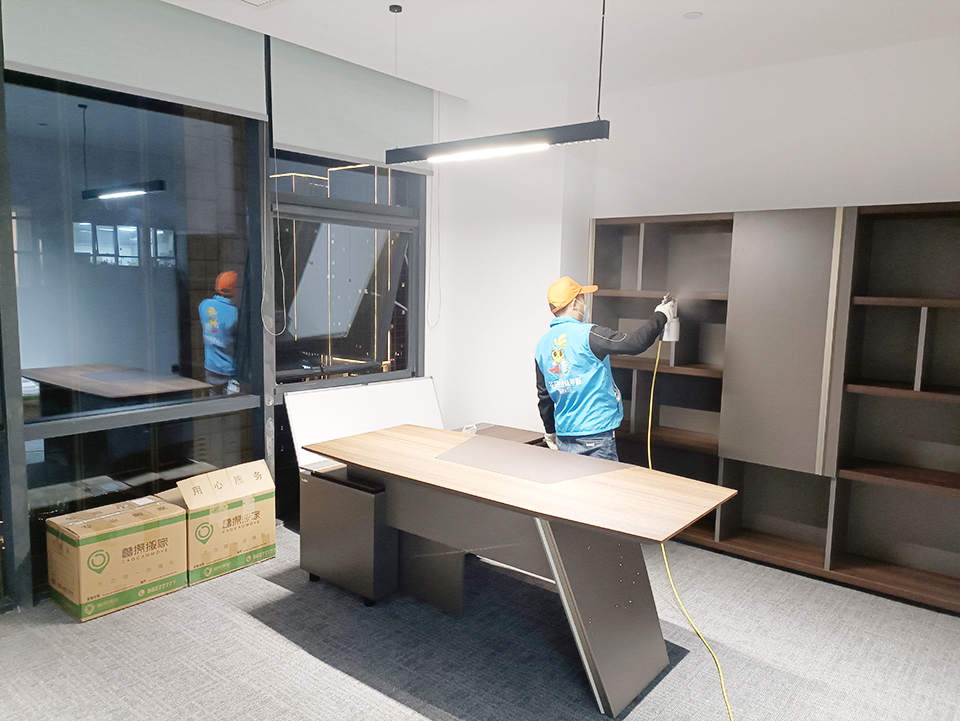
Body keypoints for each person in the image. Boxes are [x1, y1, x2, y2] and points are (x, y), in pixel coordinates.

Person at [534, 276, 676, 461]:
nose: (585, 303)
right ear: (574, 303)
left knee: (571, 480)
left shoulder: (542, 344)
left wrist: (550, 431)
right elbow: (635, 343)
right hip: (596, 436)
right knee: (602, 481)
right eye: (582, 298)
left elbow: (544, 395)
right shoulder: (589, 335)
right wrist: (661, 315)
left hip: (564, 436)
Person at [199, 271, 239, 394]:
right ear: (236, 291)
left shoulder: (204, 305)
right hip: (230, 371)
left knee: (215, 402)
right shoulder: (235, 314)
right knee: (232, 404)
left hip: (211, 367)